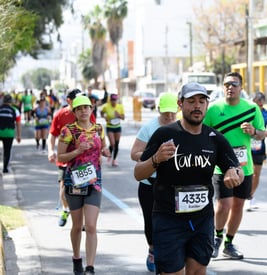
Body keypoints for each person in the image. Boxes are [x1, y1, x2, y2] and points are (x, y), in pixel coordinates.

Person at [134, 82, 244, 275]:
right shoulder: (165, 134)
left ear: (206, 106)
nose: (197, 106)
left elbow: (236, 168)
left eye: (202, 101)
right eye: (191, 101)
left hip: (202, 219)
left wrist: (233, 174)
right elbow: (138, 173)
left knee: (198, 271)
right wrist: (156, 158)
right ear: (180, 104)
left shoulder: (214, 138)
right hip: (168, 219)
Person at [203, 71, 266, 260]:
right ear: (223, 87)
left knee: (238, 205)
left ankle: (229, 243)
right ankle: (216, 238)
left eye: (234, 84)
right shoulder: (213, 109)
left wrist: (254, 131)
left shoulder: (252, 108)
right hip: (220, 167)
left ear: (241, 87)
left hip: (243, 167)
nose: (230, 87)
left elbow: (262, 134)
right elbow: (202, 133)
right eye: (227, 84)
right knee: (224, 205)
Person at [57, 95, 110, 275]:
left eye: (86, 107)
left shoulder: (98, 128)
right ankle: (76, 257)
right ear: (75, 112)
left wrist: (105, 151)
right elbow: (60, 157)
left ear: (91, 109)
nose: (83, 111)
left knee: (92, 226)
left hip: (95, 182)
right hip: (75, 181)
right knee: (77, 226)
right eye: (79, 109)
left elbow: (103, 146)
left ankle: (90, 267)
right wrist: (78, 150)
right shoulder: (68, 130)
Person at [130, 92, 178, 272]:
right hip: (150, 184)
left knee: (173, 223)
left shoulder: (184, 127)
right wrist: (155, 156)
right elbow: (134, 154)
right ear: (158, 110)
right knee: (151, 222)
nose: (169, 116)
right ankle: (152, 249)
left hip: (174, 185)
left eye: (173, 112)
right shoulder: (149, 128)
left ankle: (172, 255)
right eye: (166, 113)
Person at [47, 89, 96, 227]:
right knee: (64, 189)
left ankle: (87, 221)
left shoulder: (87, 113)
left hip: (85, 159)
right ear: (69, 100)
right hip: (66, 160)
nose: (82, 109)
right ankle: (65, 209)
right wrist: (51, 150)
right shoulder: (61, 114)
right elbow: (52, 134)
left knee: (87, 190)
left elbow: (95, 132)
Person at [249, 91, 267, 210]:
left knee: (256, 174)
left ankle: (250, 197)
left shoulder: (266, 114)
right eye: (257, 103)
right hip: (245, 147)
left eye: (261, 104)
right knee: (247, 174)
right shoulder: (247, 112)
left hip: (259, 148)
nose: (259, 106)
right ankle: (243, 196)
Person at [0, 94, 21, 173]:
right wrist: (18, 136)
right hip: (9, 133)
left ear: (3, 101)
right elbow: (18, 124)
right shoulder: (15, 110)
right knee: (7, 151)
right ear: (11, 102)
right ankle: (5, 168)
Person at [100, 93, 125, 167]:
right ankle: (110, 155)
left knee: (117, 144)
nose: (114, 102)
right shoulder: (106, 106)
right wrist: (104, 117)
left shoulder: (120, 107)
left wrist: (119, 115)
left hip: (117, 126)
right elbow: (101, 113)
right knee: (112, 143)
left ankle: (114, 159)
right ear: (110, 100)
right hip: (110, 126)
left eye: (115, 100)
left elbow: (123, 118)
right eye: (112, 100)